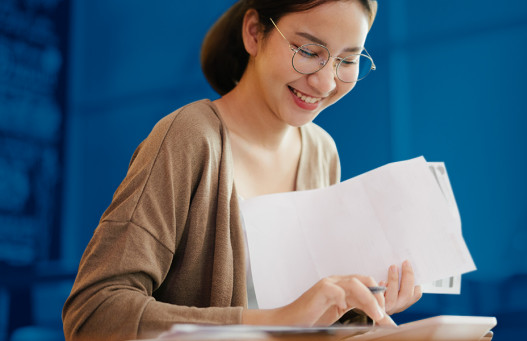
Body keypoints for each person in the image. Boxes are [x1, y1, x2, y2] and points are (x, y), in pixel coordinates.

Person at [62, 0, 422, 340]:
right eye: (309, 51)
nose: (326, 83)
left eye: (348, 60)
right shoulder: (190, 138)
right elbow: (93, 313)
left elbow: (309, 323)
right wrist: (276, 322)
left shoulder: (321, 153)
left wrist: (361, 307)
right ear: (253, 32)